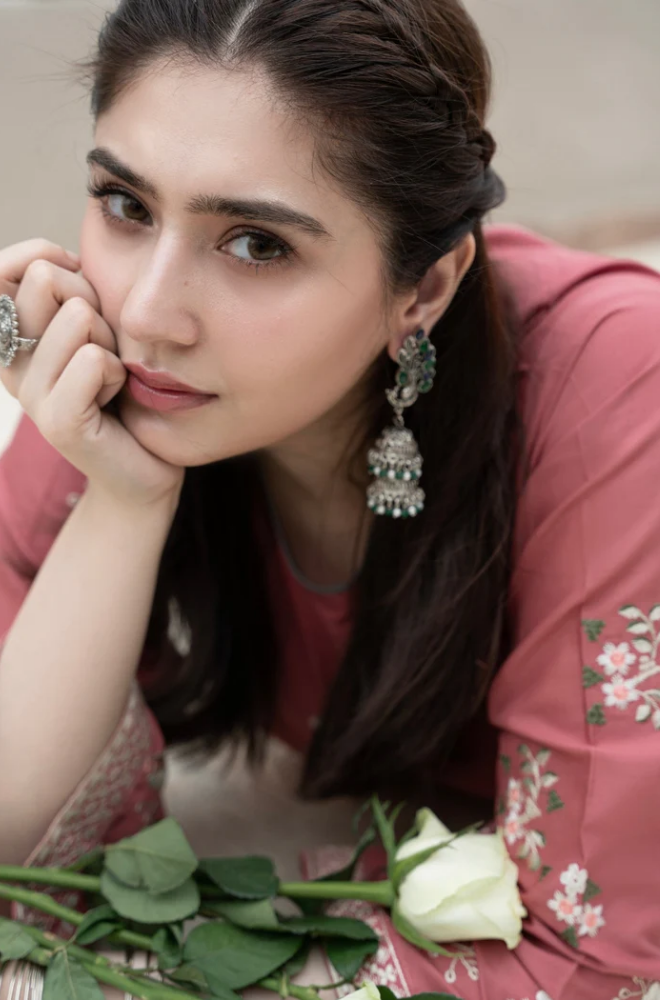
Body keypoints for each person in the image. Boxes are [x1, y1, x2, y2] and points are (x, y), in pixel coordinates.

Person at [0, 0, 659, 997]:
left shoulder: (619, 392)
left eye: (257, 244)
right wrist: (122, 501)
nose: (146, 312)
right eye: (127, 205)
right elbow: (19, 847)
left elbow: (589, 955)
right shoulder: (123, 368)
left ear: (423, 289)